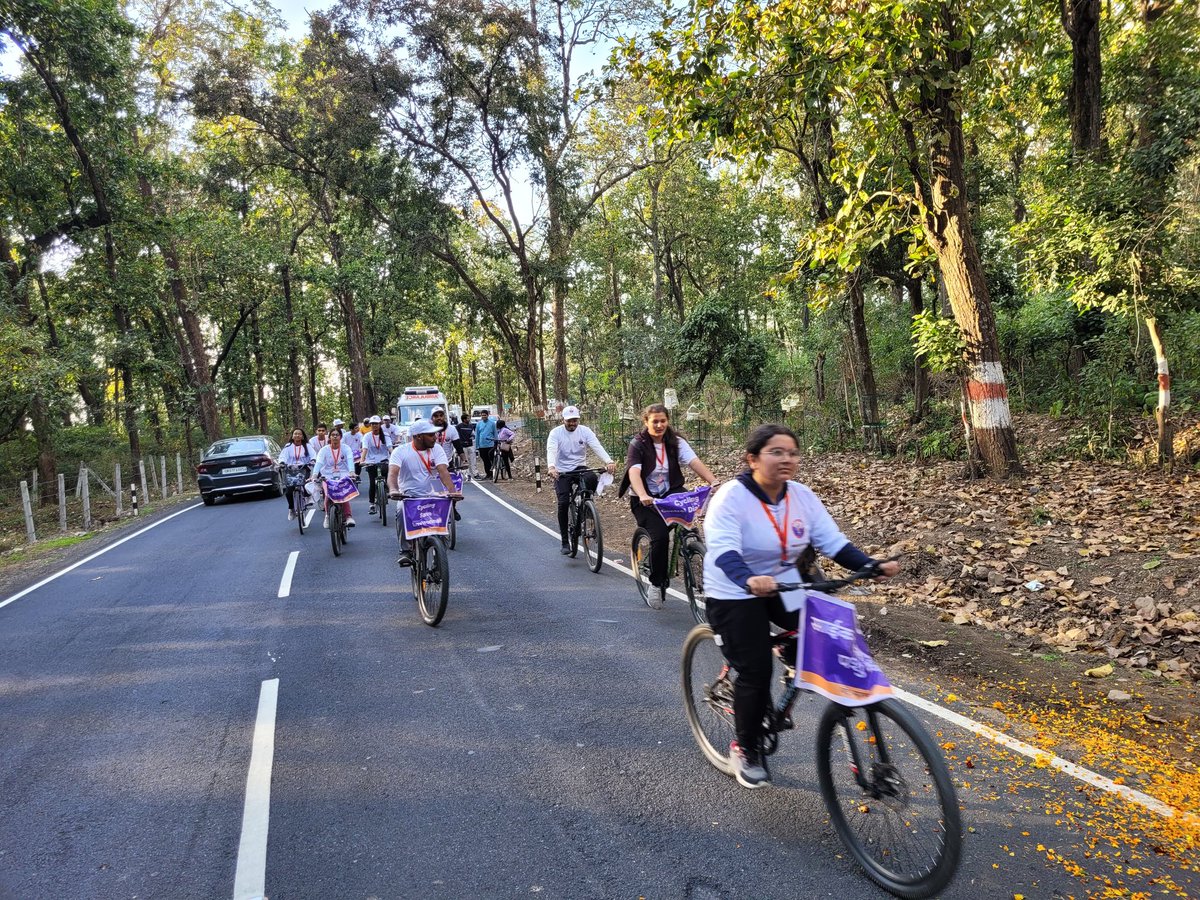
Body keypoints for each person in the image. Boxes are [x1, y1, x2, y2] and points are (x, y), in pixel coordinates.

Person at [703, 423, 899, 789]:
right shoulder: (731, 497)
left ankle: (790, 664)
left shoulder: (801, 496)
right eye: (776, 452)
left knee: (828, 634)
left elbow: (832, 542)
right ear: (752, 459)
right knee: (755, 671)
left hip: (785, 583)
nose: (787, 459)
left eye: (792, 453)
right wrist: (748, 578)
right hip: (734, 590)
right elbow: (724, 550)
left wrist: (870, 565)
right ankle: (745, 748)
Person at [619, 404, 719, 607]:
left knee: (689, 521)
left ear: (668, 421)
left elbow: (694, 462)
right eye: (654, 421)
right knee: (661, 537)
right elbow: (634, 473)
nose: (659, 425)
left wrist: (713, 481)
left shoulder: (676, 442)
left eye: (663, 421)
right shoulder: (638, 444)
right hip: (646, 499)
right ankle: (656, 584)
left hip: (671, 493)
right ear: (646, 422)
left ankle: (691, 550)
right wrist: (643, 494)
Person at [387, 420, 463, 566]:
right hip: (409, 496)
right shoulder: (400, 451)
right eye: (430, 435)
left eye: (435, 434)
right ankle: (406, 551)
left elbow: (443, 472)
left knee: (441, 527)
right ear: (418, 436)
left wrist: (453, 493)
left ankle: (438, 558)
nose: (435, 437)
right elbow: (392, 474)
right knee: (401, 512)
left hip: (434, 495)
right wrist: (393, 490)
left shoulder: (437, 449)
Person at [547, 405, 616, 555]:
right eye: (569, 421)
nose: (572, 423)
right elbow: (551, 450)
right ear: (563, 420)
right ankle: (565, 541)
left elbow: (596, 446)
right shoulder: (556, 433)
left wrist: (608, 461)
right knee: (563, 502)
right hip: (562, 471)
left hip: (580, 467)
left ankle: (586, 506)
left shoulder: (585, 431)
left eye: (575, 420)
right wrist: (551, 467)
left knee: (592, 478)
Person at [312, 426, 358, 529]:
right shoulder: (324, 450)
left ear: (340, 437)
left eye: (337, 435)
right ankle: (327, 516)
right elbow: (319, 462)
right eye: (333, 435)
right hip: (327, 475)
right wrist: (314, 475)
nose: (335, 437)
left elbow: (350, 460)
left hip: (343, 474)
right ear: (329, 437)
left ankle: (348, 516)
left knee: (343, 494)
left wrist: (352, 472)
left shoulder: (346, 448)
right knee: (328, 495)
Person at [358, 415, 393, 515]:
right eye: (372, 424)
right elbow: (365, 449)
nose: (374, 426)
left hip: (384, 460)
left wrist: (394, 457)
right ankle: (372, 504)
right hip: (371, 462)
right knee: (372, 483)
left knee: (387, 477)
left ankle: (386, 490)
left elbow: (390, 448)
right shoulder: (367, 436)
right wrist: (362, 460)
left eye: (376, 424)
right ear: (370, 425)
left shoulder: (385, 435)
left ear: (380, 424)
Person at [276, 427, 312, 520]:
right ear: (292, 436)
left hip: (303, 468)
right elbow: (283, 456)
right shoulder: (288, 446)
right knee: (289, 491)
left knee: (305, 484)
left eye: (299, 434)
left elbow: (313, 455)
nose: (297, 435)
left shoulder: (307, 446)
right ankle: (291, 509)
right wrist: (282, 462)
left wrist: (313, 460)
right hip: (290, 469)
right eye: (295, 434)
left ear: (302, 436)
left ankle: (307, 496)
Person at [475, 408, 498, 479]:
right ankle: (488, 474)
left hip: (490, 445)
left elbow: (495, 433)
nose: (483, 416)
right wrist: (477, 445)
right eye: (482, 415)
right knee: (485, 460)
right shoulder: (479, 424)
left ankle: (492, 474)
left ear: (487, 415)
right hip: (482, 445)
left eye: (485, 415)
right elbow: (477, 435)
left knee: (491, 459)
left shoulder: (492, 423)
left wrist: (496, 442)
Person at [457, 414, 477, 480]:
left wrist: (472, 437)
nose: (469, 419)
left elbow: (473, 434)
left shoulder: (471, 426)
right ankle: (467, 474)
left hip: (470, 445)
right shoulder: (459, 426)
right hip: (463, 446)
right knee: (465, 461)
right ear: (464, 419)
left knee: (473, 460)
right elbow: (456, 435)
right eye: (468, 418)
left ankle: (474, 473)